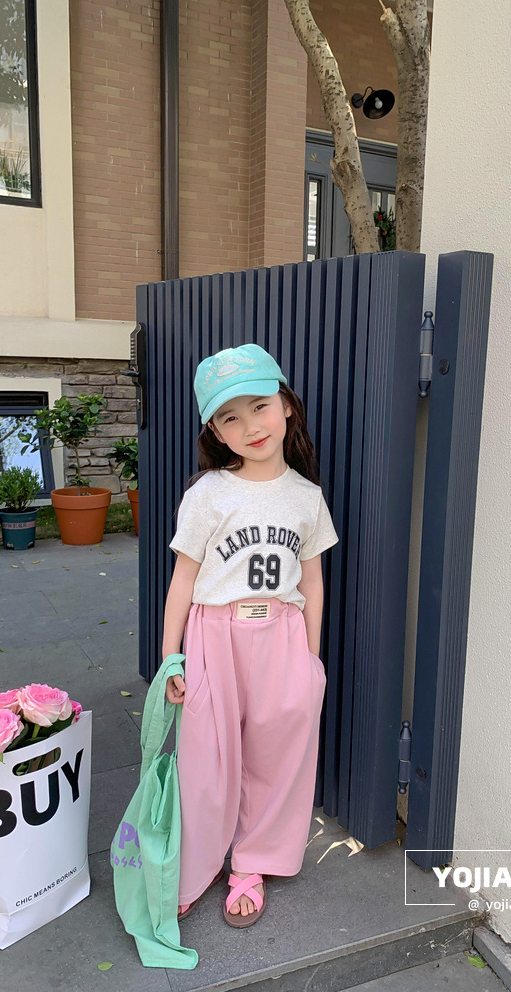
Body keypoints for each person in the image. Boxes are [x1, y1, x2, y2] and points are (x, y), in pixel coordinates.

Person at [163, 343, 339, 927]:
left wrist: (310, 658)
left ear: (286, 404)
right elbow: (183, 578)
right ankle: (194, 863)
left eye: (259, 406)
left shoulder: (306, 497)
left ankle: (252, 862)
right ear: (215, 431)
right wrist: (170, 658)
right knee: (206, 759)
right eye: (229, 417)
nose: (250, 426)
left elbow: (312, 580)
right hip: (215, 635)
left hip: (282, 637)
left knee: (275, 755)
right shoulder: (209, 493)